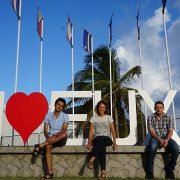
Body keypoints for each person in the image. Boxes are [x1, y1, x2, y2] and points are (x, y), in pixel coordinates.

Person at [32, 97, 69, 180]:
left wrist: (54, 136)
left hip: (60, 139)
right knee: (48, 147)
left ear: (63, 107)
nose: (59, 106)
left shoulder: (65, 116)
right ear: (55, 104)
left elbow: (64, 130)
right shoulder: (48, 115)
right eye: (58, 104)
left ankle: (40, 145)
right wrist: (48, 137)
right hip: (50, 139)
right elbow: (45, 131)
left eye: (62, 106)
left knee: (64, 134)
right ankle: (50, 173)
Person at [146, 101, 179, 179]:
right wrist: (160, 140)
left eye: (160, 107)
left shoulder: (169, 117)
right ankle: (149, 172)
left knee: (176, 148)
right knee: (152, 148)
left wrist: (167, 139)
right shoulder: (150, 117)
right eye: (157, 107)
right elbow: (151, 131)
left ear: (163, 108)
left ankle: (170, 170)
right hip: (155, 137)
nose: (159, 109)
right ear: (154, 108)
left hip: (166, 137)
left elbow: (171, 130)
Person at [86, 100, 117, 179]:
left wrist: (115, 142)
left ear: (105, 109)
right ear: (98, 108)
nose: (102, 109)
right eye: (100, 107)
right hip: (97, 138)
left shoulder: (108, 117)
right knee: (101, 146)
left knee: (102, 139)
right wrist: (89, 142)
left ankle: (92, 158)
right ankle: (103, 172)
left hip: (107, 139)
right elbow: (91, 131)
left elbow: (113, 130)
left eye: (103, 107)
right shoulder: (93, 118)